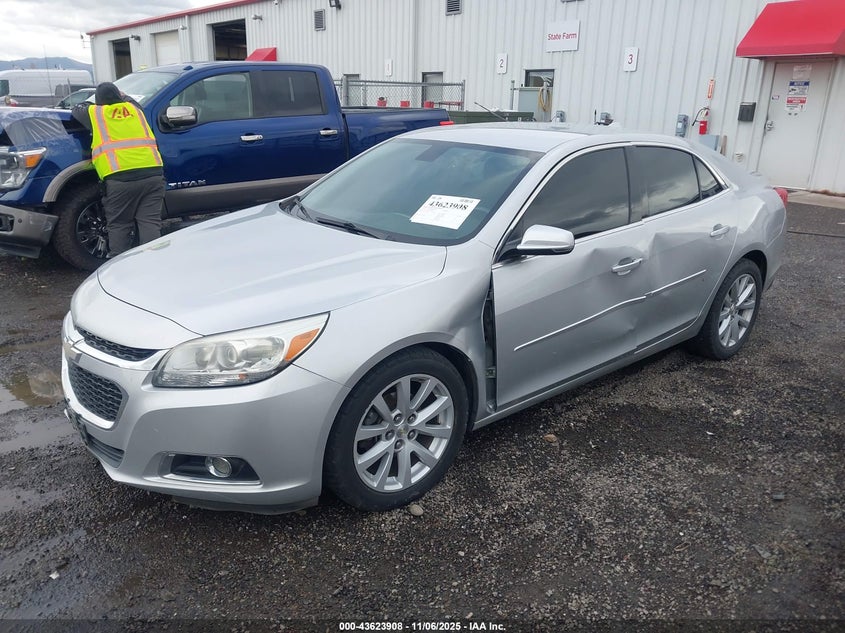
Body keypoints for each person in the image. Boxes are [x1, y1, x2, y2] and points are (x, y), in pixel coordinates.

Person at [72, 82, 165, 257]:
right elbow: (130, 101)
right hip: (153, 174)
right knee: (150, 222)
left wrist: (92, 101)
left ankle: (118, 267)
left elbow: (77, 109)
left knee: (120, 224)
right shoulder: (135, 110)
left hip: (120, 178)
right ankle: (153, 262)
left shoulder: (96, 113)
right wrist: (123, 96)